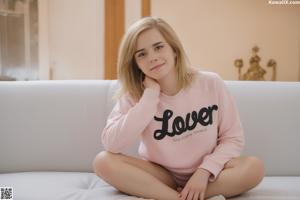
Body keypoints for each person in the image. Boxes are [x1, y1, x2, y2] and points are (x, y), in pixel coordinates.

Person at [93, 17, 264, 200]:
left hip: (211, 174)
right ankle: (177, 198)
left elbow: (233, 138)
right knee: (103, 162)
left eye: (159, 47)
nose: (153, 58)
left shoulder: (210, 83)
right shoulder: (136, 95)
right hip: (161, 176)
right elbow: (112, 143)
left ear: (174, 49)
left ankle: (184, 194)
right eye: (141, 54)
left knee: (254, 168)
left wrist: (204, 171)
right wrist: (150, 97)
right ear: (135, 63)